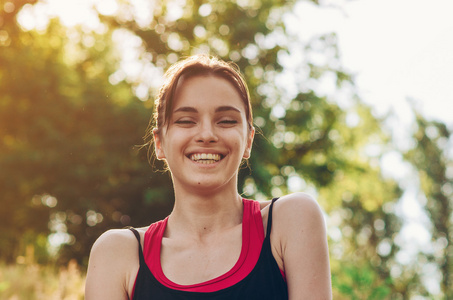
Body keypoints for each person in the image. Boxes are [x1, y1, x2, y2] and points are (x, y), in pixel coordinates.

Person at [85, 54, 332, 299]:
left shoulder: (291, 220)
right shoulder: (116, 254)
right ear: (159, 143)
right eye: (185, 121)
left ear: (248, 141)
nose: (206, 134)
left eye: (225, 121)